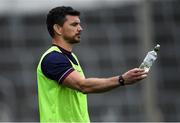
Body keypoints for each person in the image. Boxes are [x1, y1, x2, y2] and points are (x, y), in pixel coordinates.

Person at [37, 6, 148, 122]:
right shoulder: (53, 58)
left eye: (79, 24)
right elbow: (83, 85)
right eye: (74, 25)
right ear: (58, 29)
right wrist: (122, 79)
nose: (80, 28)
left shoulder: (70, 57)